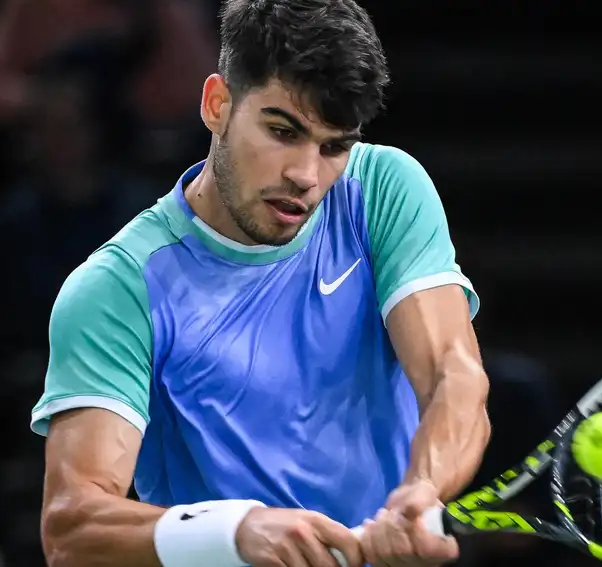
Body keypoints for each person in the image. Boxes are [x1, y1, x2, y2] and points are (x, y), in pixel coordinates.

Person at [30, 2, 492, 567]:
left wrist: (420, 490)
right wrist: (234, 531)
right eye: (282, 131)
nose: (306, 176)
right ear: (217, 105)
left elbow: (453, 375)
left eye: (334, 146)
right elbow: (73, 525)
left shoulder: (382, 191)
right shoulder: (119, 289)